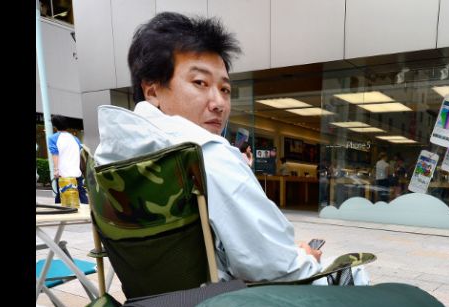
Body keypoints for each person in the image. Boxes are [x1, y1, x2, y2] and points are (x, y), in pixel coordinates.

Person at [93, 12, 368, 285]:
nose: (219, 103)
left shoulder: (111, 157)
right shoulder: (207, 154)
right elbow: (275, 267)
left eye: (225, 89)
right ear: (152, 90)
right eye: (200, 83)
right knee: (353, 273)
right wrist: (306, 257)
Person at [49, 115, 88, 204]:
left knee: (60, 194)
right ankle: (88, 214)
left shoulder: (53, 138)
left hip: (62, 173)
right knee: (81, 194)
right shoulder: (75, 139)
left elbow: (55, 154)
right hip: (76, 172)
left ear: (54, 126)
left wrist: (56, 170)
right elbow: (79, 154)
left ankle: (59, 215)